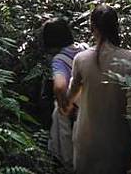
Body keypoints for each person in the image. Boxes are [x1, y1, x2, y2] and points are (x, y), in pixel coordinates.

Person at [62, 4, 131, 174]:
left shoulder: (81, 59)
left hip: (85, 144)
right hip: (118, 146)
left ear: (92, 27)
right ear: (116, 28)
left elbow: (70, 97)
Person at [41, 18, 88, 169]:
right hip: (93, 101)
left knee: (62, 125)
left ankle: (67, 163)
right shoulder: (84, 48)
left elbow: (60, 86)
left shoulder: (59, 60)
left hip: (75, 105)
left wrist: (65, 105)